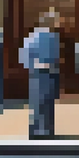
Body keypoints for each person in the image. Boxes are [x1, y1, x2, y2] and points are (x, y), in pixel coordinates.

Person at [20, 10, 60, 139]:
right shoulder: (40, 37)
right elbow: (25, 56)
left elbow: (24, 56)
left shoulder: (36, 36)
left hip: (43, 73)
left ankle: (43, 129)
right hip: (42, 73)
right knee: (42, 101)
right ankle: (43, 130)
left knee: (44, 101)